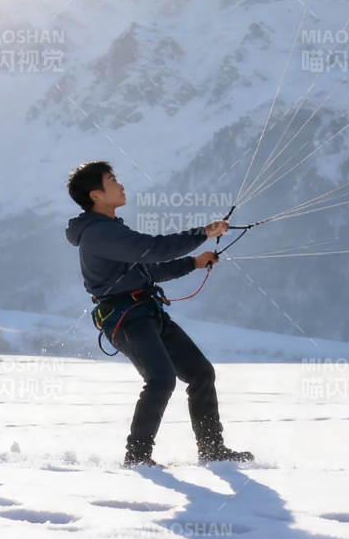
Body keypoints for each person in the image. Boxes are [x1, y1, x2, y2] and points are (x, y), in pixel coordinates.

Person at [64, 161, 254, 468]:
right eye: (112, 180)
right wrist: (203, 233)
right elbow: (153, 250)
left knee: (201, 373)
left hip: (146, 312)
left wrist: (193, 263)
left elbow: (149, 267)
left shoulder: (111, 229)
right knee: (161, 379)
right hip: (126, 319)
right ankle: (137, 457)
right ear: (96, 195)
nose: (121, 185)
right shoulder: (98, 234)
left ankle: (212, 450)